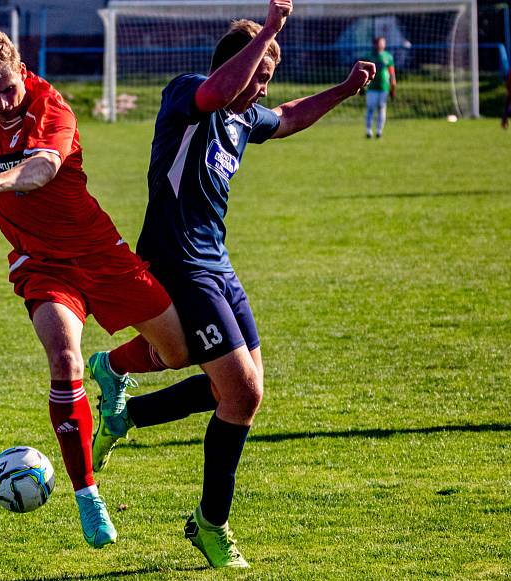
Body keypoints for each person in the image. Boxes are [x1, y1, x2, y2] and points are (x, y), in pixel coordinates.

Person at [88, 0, 376, 568]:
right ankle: (211, 524)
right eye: (259, 75)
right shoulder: (187, 95)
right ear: (236, 64)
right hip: (176, 260)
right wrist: (268, 28)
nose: (262, 90)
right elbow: (219, 93)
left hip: (218, 264)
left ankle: (124, 411)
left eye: (267, 78)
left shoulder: (245, 117)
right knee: (240, 392)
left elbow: (288, 117)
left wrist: (342, 90)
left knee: (244, 392)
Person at [0, 28, 191, 549]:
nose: (1, 102)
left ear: (20, 67)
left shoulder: (52, 108)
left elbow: (43, 167)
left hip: (99, 253)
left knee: (178, 351)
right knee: (64, 361)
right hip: (42, 262)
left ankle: (115, 367)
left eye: (7, 88)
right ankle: (88, 495)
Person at [365, 36, 396, 138]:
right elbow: (364, 72)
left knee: (381, 109)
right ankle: (369, 131)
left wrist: (393, 86)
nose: (381, 45)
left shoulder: (388, 57)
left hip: (384, 87)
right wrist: (361, 86)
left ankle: (379, 131)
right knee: (370, 109)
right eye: (379, 43)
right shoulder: (369, 56)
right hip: (372, 87)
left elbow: (391, 73)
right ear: (375, 44)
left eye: (383, 42)